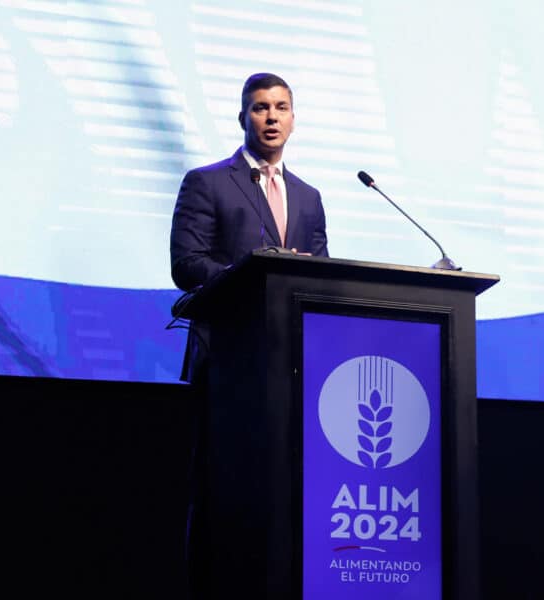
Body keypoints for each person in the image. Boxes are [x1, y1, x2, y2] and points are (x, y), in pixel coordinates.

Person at [169, 72, 328, 598]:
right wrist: (255, 275)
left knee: (282, 491)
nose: (272, 117)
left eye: (282, 107)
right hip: (227, 360)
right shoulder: (207, 182)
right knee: (218, 491)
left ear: (294, 118)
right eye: (261, 108)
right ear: (243, 118)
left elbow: (321, 276)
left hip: (291, 368)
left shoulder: (308, 197)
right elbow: (187, 264)